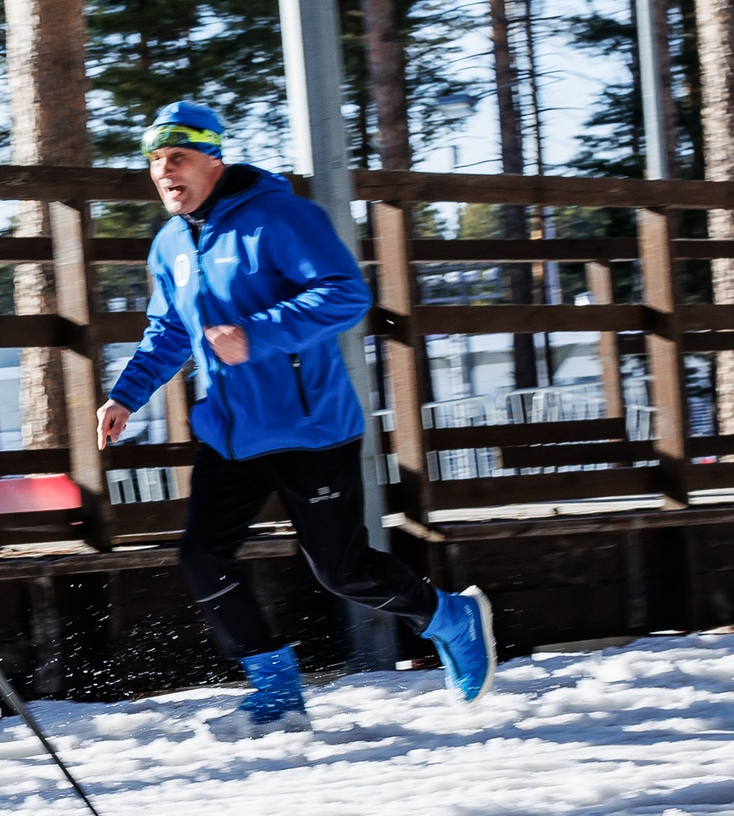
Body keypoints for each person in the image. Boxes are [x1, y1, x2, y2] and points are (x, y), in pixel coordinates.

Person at [99, 101, 496, 738]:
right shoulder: (170, 241)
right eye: (154, 161)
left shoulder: (282, 217)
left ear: (213, 159)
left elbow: (344, 293)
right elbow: (169, 329)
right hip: (230, 432)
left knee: (341, 571)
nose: (163, 172)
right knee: (202, 557)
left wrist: (255, 335)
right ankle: (276, 690)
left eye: (176, 157)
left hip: (310, 429)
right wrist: (127, 394)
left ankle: (449, 617)